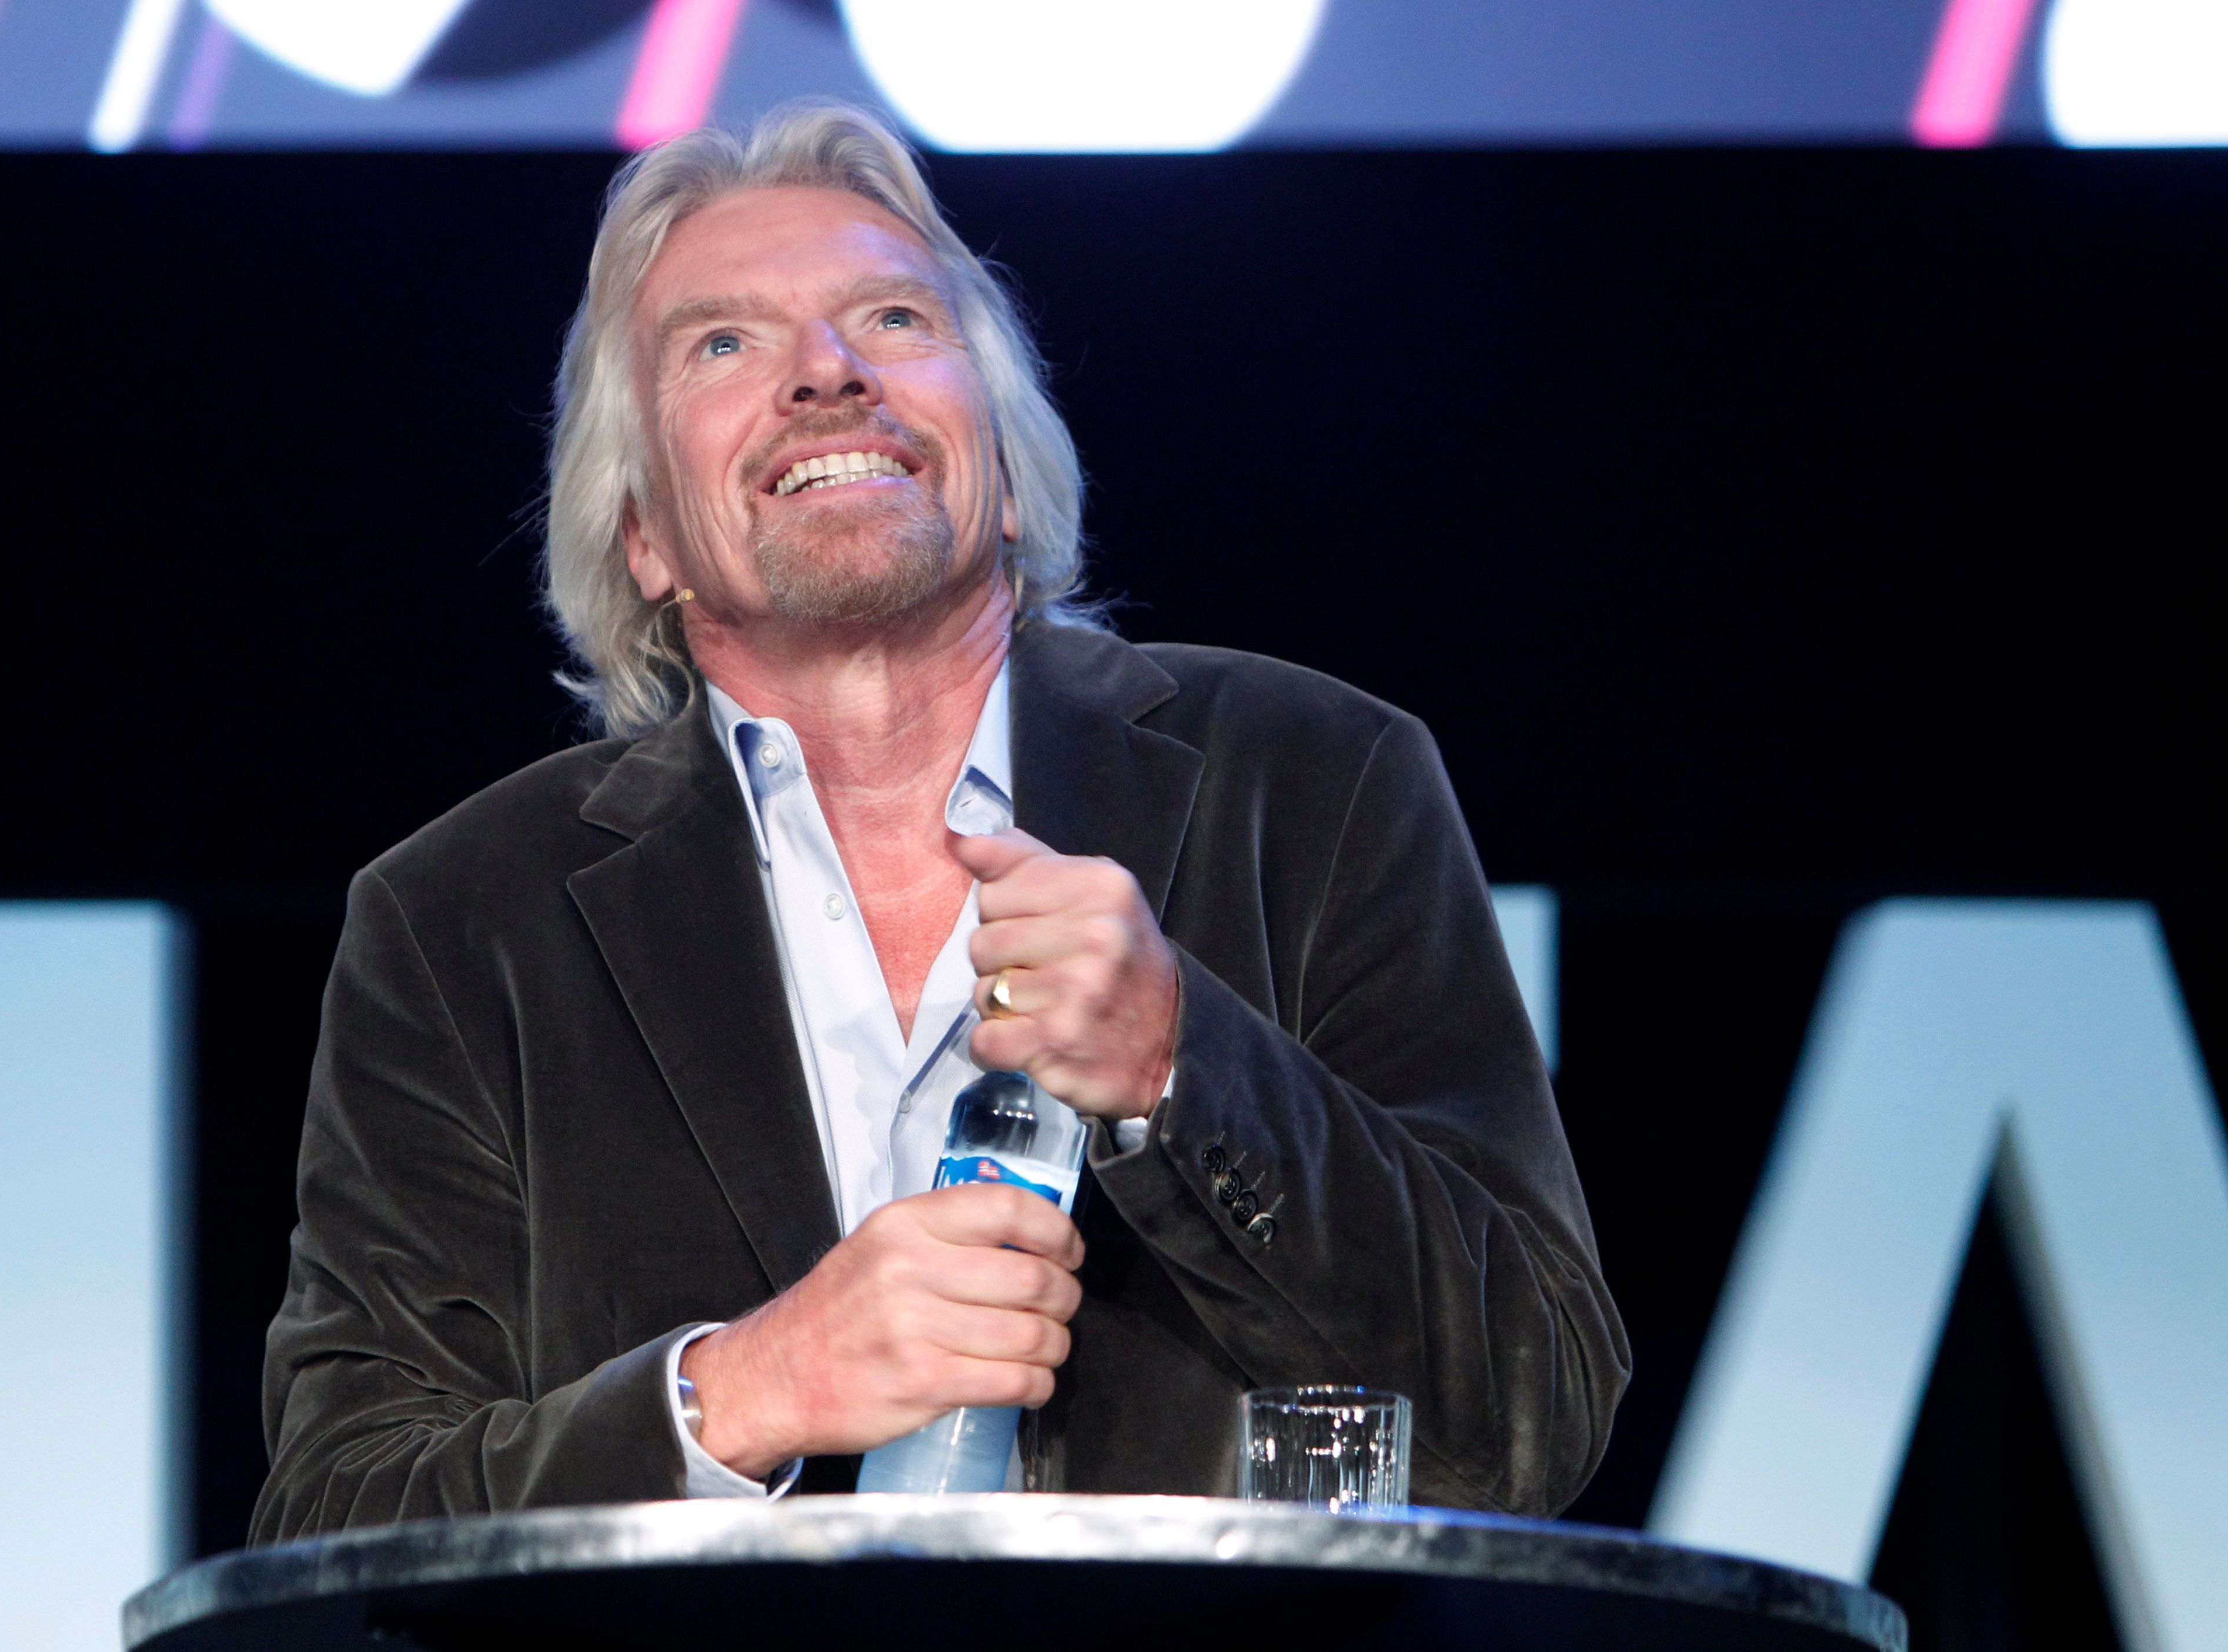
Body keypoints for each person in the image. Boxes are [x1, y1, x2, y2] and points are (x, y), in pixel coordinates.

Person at [252, 102, 1626, 1538]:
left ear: (1005, 471)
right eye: (722, 346)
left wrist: (1185, 1065)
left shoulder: (1317, 783)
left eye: (894, 319)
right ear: (643, 533)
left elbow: (1534, 1408)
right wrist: (741, 1390)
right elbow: (339, 1513)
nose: (826, 372)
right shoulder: (464, 921)